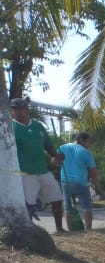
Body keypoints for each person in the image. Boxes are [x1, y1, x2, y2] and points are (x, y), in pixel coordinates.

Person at [11, 97, 65, 232]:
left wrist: (56, 156)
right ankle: (29, 231)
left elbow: (48, 145)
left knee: (57, 199)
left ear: (27, 109)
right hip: (25, 173)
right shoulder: (11, 127)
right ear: (12, 111)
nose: (19, 112)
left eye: (22, 108)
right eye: (16, 109)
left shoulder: (38, 126)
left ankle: (59, 228)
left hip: (43, 170)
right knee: (28, 204)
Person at [58, 131, 102, 231]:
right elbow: (93, 173)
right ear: (81, 140)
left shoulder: (62, 147)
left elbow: (54, 161)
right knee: (86, 207)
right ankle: (89, 229)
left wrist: (61, 163)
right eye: (88, 142)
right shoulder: (86, 152)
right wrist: (98, 188)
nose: (89, 145)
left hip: (66, 181)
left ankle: (70, 230)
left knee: (67, 207)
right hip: (81, 182)